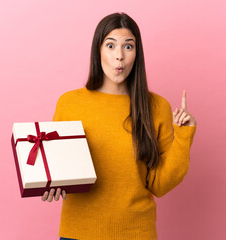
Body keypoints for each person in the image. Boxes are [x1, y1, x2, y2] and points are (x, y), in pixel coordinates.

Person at [42, 12, 197, 240]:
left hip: (136, 233)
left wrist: (184, 135)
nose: (119, 57)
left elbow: (160, 184)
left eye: (128, 47)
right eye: (111, 45)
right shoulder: (70, 103)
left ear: (137, 54)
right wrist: (51, 184)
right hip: (77, 232)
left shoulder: (155, 107)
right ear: (98, 50)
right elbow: (59, 168)